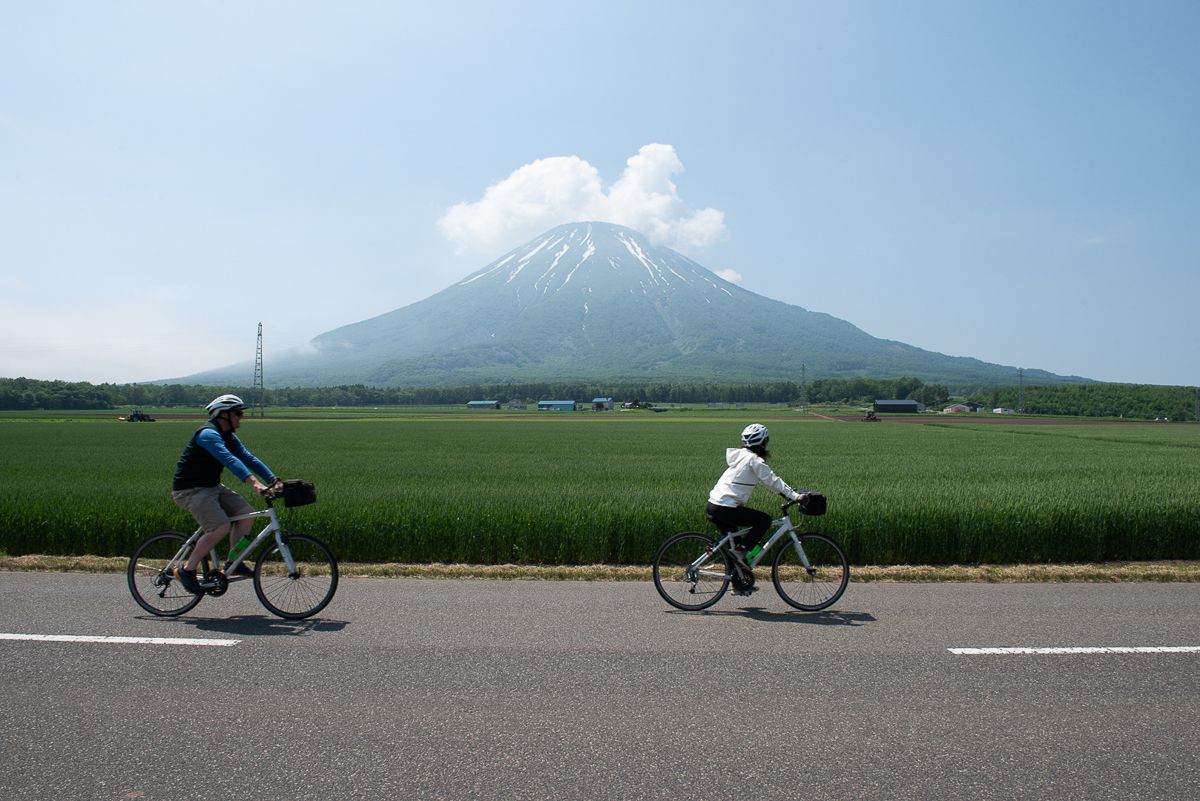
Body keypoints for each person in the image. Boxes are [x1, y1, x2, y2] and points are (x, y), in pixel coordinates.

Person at [171, 394, 280, 594]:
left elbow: (248, 458)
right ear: (224, 415)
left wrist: (274, 479)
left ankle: (234, 560)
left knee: (247, 515)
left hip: (212, 487)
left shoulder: (228, 436)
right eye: (238, 413)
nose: (241, 418)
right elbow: (230, 460)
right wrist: (255, 483)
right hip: (190, 490)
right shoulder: (208, 435)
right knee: (220, 527)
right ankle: (187, 569)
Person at [706, 423, 807, 595]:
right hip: (726, 508)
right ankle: (743, 550)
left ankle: (739, 584)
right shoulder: (754, 460)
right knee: (764, 521)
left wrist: (785, 494)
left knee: (734, 550)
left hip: (715, 505)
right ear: (764, 442)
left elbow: (771, 483)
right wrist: (796, 497)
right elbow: (772, 480)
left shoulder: (740, 456)